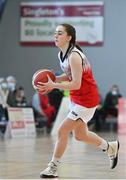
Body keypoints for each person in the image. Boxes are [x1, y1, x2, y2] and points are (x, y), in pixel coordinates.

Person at [36, 23, 120, 178]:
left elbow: (76, 83)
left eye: (60, 33)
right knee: (80, 135)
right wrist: (53, 79)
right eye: (55, 33)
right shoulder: (62, 54)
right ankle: (110, 147)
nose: (56, 36)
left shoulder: (74, 55)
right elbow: (69, 75)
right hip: (77, 98)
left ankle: (53, 167)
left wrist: (54, 85)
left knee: (62, 131)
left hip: (87, 99)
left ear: (69, 37)